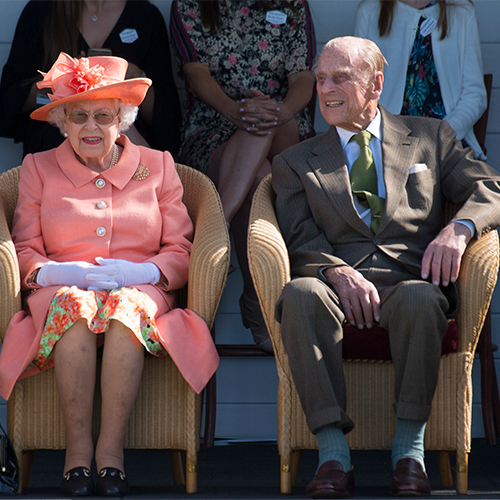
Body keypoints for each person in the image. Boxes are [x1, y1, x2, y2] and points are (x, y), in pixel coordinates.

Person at [272, 36, 500, 498]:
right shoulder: (295, 161)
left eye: (340, 77)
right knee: (298, 294)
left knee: (421, 296)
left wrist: (458, 230)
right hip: (337, 285)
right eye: (320, 79)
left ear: (376, 83)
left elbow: (490, 189)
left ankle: (409, 452)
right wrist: (336, 272)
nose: (326, 89)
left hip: (411, 283)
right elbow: (298, 237)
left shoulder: (431, 137)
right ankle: (333, 454)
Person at [0, 53, 218, 497]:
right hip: (60, 291)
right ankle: (77, 456)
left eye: (104, 115)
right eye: (78, 116)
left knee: (127, 307)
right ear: (62, 121)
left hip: (142, 291)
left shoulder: (157, 166)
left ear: (124, 118)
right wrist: (58, 271)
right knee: (74, 305)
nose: (91, 127)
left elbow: (181, 249)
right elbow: (22, 249)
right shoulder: (38, 170)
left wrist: (142, 270)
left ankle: (111, 456)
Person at [170, 0, 316, 352]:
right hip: (214, 128)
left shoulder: (291, 4)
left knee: (263, 126)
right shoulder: (190, 4)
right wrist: (235, 110)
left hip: (284, 125)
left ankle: (212, 235)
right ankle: (259, 301)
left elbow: (303, 78)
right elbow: (195, 72)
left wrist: (277, 111)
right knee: (259, 173)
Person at [0, 0, 182, 156]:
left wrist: (134, 81)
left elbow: (169, 125)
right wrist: (60, 83)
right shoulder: (42, 11)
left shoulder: (146, 17)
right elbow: (8, 105)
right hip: (54, 149)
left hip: (124, 149)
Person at [355, 0, 487, 160]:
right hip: (387, 141)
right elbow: (359, 90)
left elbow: (474, 95)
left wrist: (445, 133)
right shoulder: (370, 11)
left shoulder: (461, 11)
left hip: (449, 141)